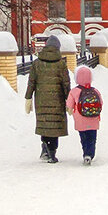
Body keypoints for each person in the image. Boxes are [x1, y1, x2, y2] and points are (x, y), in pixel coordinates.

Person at [25, 35, 70, 163]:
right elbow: (66, 84)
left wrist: (28, 98)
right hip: (57, 100)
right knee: (54, 126)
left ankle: (45, 148)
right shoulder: (61, 64)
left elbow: (31, 82)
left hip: (41, 100)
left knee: (45, 124)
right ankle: (52, 152)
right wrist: (69, 100)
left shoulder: (37, 63)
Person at [66, 65, 102, 165]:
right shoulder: (95, 91)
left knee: (84, 138)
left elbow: (69, 105)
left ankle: (86, 153)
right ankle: (90, 154)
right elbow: (101, 103)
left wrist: (70, 111)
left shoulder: (74, 91)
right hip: (93, 118)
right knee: (92, 138)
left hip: (80, 119)